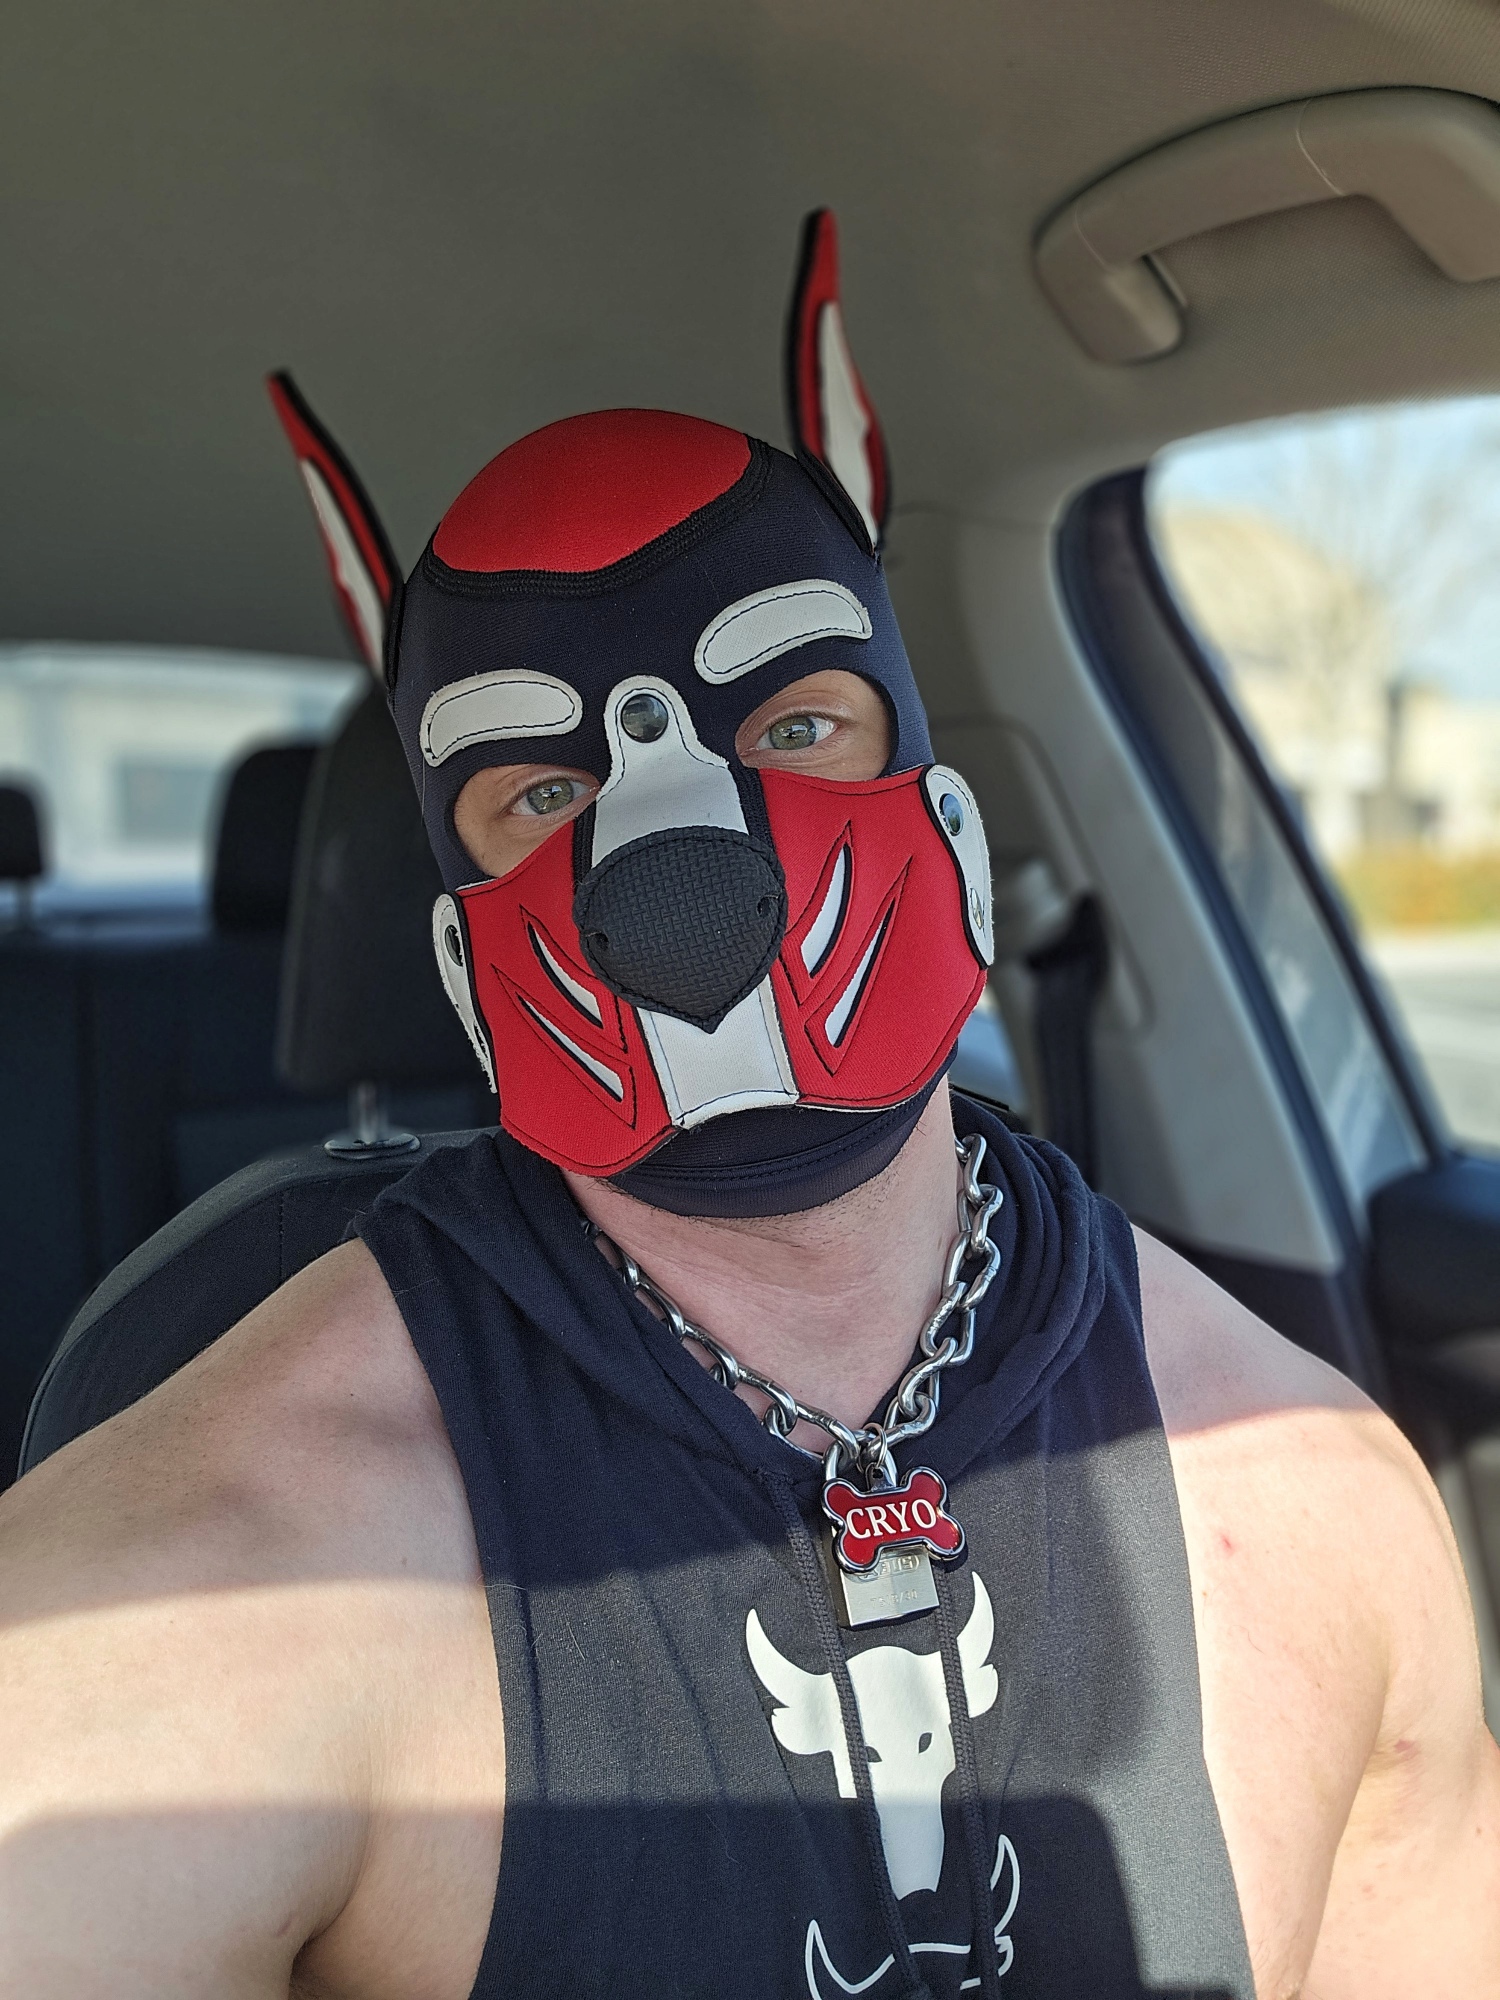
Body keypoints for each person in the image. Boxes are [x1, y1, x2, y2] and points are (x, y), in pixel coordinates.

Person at [0, 212, 1496, 2000]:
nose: (682, 863)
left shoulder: (1314, 1495)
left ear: (948, 820)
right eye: (541, 791)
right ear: (462, 957)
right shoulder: (214, 1584)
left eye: (791, 726)